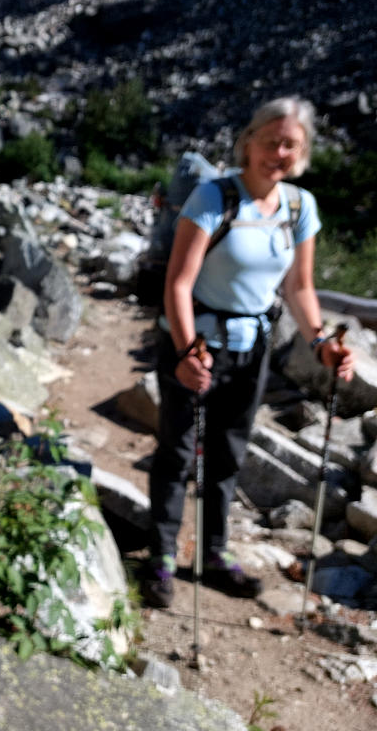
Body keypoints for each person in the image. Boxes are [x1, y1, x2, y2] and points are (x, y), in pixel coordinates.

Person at [141, 97, 356, 609]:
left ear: (301, 153)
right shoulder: (213, 198)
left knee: (228, 451)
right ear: (249, 141)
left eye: (291, 145)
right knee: (176, 451)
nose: (278, 153)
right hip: (196, 343)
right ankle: (162, 557)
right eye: (270, 140)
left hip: (252, 347)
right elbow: (179, 282)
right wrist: (187, 351)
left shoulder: (300, 207)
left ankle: (213, 553)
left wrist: (322, 343)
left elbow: (299, 288)